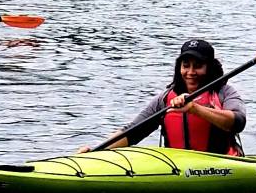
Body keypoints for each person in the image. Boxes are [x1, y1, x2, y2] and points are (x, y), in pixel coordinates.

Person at [82, 38, 246, 155]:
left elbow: (238, 122)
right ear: (179, 67)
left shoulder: (225, 92)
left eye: (198, 66)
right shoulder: (165, 99)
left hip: (222, 166)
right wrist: (96, 151)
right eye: (185, 66)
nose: (190, 72)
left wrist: (195, 109)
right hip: (177, 168)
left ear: (209, 68)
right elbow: (132, 132)